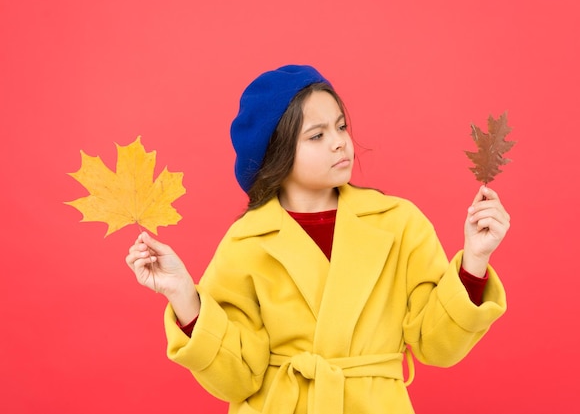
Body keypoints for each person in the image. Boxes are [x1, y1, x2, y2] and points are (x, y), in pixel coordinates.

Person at [126, 64, 509, 414]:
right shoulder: (245, 242)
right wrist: (184, 298)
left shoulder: (399, 223)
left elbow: (437, 344)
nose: (339, 142)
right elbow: (235, 378)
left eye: (341, 127)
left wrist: (474, 260)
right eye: (317, 135)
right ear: (276, 153)